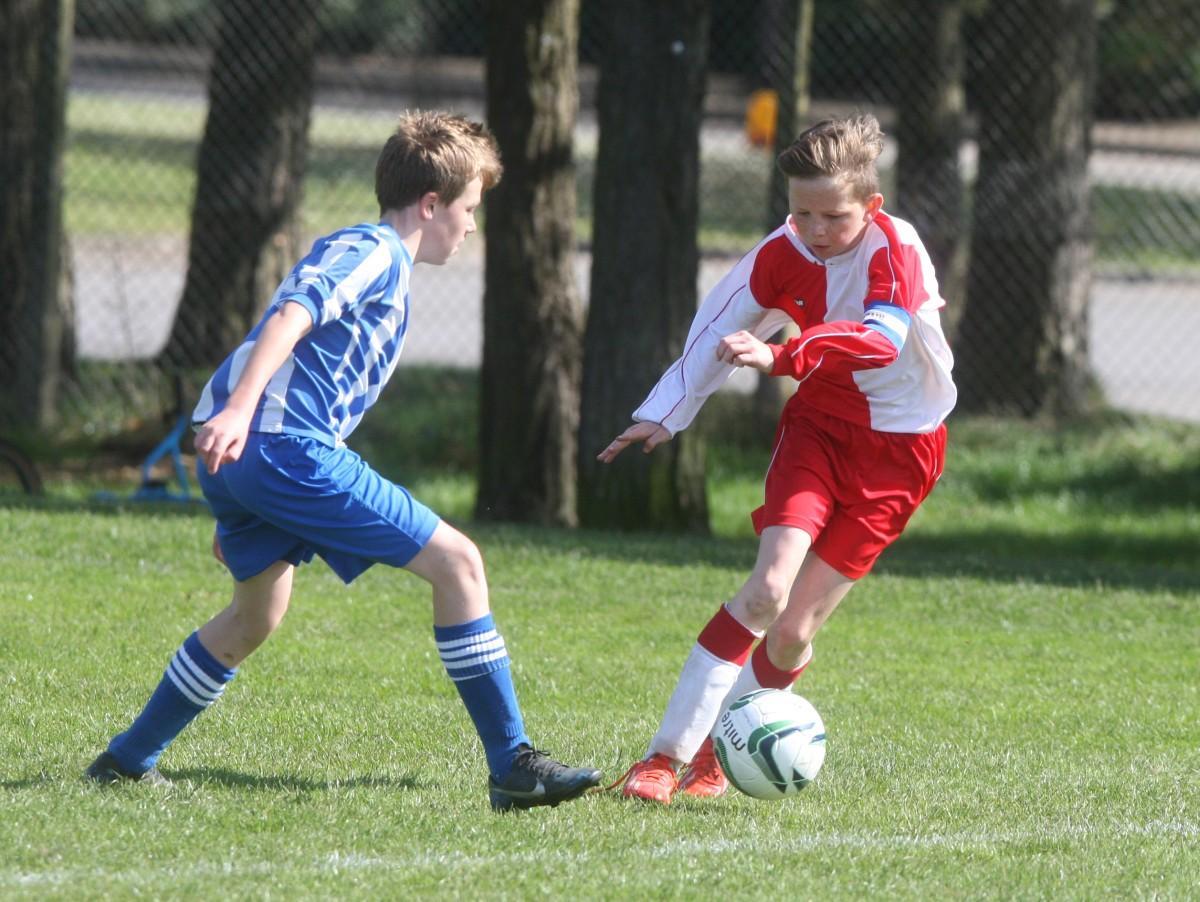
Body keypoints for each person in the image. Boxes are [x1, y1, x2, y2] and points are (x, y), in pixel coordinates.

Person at [85, 110, 602, 812]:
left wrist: (238, 479)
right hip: (279, 446)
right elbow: (292, 312)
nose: (473, 226)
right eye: (470, 208)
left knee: (255, 614)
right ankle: (513, 764)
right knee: (460, 563)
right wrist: (243, 414)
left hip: (250, 457)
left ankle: (126, 760)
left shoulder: (383, 260)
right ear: (430, 204)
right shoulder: (374, 250)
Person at [598, 113, 956, 803]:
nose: (816, 230)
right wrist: (664, 415)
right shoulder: (782, 249)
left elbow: (882, 340)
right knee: (766, 590)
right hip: (819, 429)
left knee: (791, 635)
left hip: (901, 456)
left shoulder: (896, 248)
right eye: (801, 212)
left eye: (834, 215)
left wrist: (786, 355)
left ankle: (718, 756)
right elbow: (716, 328)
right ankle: (662, 762)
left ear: (872, 207)